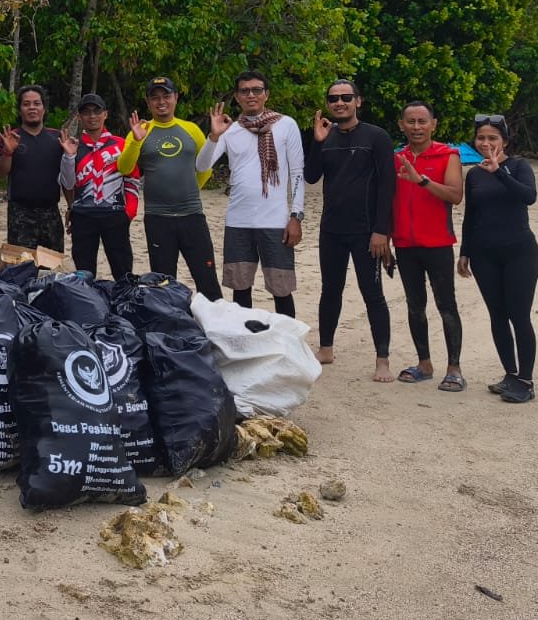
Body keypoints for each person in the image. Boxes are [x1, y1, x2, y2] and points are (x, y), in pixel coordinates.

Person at [304, 78, 396, 382]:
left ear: (359, 101)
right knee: (330, 289)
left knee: (372, 293)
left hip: (366, 230)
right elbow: (312, 176)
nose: (339, 103)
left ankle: (382, 359)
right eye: (333, 99)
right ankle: (326, 348)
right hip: (331, 228)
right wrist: (317, 142)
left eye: (346, 97)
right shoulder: (324, 137)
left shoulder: (377, 137)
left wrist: (381, 231)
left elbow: (387, 186)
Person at [199, 71, 304, 317]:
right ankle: (245, 342)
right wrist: (214, 136)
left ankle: (285, 344)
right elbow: (202, 166)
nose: (251, 95)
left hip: (276, 221)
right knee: (240, 287)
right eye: (244, 91)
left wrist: (296, 216)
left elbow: (298, 172)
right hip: (238, 221)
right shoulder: (230, 130)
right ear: (237, 97)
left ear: (266, 94)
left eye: (257, 90)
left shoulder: (286, 124)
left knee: (281, 288)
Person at [458, 113, 538, 404]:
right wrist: (465, 252)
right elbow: (471, 215)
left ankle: (526, 381)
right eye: (481, 138)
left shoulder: (519, 166)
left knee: (519, 315)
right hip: (484, 254)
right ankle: (510, 373)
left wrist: (500, 172)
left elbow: (528, 196)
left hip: (519, 251)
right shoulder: (474, 174)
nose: (486, 143)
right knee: (497, 316)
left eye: (492, 138)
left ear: (504, 140)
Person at [118, 77, 219, 298]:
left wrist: (190, 190)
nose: (161, 101)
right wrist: (135, 141)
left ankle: (213, 328)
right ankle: (167, 328)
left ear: (175, 98)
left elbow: (205, 168)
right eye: (155, 97)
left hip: (192, 216)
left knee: (207, 279)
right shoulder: (140, 131)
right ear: (148, 102)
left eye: (166, 95)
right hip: (158, 219)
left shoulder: (190, 129)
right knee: (162, 283)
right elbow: (125, 168)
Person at [390, 99, 466, 391]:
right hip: (406, 245)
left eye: (423, 121)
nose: (417, 127)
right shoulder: (396, 158)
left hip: (437, 244)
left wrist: (421, 180)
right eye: (411, 121)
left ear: (434, 124)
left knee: (446, 305)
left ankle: (454, 368)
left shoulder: (449, 155)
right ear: (401, 125)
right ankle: (424, 363)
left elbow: (454, 195)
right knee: (414, 305)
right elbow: (389, 201)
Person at [59, 94, 137, 279]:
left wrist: (129, 213)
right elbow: (68, 184)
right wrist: (69, 157)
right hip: (83, 217)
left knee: (123, 270)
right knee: (84, 273)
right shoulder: (73, 145)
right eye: (86, 112)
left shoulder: (121, 144)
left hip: (115, 215)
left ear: (105, 114)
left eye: (97, 111)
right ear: (79, 117)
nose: (92, 116)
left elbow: (132, 181)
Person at [0, 85, 67, 253]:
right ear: (20, 110)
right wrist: (8, 152)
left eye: (37, 103)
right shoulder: (10, 137)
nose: (32, 108)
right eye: (26, 104)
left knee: (53, 270)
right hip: (20, 214)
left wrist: (72, 207)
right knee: (21, 271)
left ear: (44, 108)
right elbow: (0, 173)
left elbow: (67, 179)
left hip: (51, 213)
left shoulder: (57, 138)